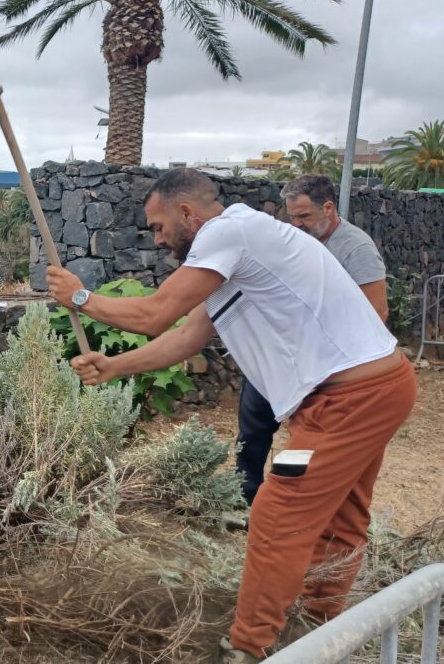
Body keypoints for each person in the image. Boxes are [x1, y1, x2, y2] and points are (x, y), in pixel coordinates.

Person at [47, 168, 415, 662]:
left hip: (351, 398)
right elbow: (184, 337)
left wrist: (79, 296)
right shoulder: (235, 253)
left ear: (186, 214)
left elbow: (154, 314)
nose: (157, 241)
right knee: (341, 519)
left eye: (158, 227)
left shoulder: (227, 232)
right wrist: (113, 367)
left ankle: (248, 647)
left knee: (277, 512)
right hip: (364, 391)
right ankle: (322, 627)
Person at [235, 174, 389, 506]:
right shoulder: (292, 240)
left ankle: (294, 504)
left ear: (329, 208)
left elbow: (377, 313)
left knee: (306, 438)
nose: (296, 224)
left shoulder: (356, 248)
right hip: (278, 353)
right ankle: (243, 496)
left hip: (326, 364)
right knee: (252, 428)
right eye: (291, 216)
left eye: (304, 216)